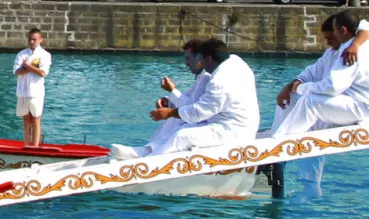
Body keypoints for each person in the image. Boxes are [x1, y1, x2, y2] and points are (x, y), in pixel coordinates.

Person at [110, 39, 260, 159]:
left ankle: (147, 164)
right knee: (181, 125)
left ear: (208, 59)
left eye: (199, 59)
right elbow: (192, 101)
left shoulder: (219, 81)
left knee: (183, 135)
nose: (198, 63)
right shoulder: (234, 60)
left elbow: (199, 112)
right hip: (225, 122)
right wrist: (171, 105)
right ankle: (147, 152)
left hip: (233, 130)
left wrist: (169, 112)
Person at [270, 12, 369, 136]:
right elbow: (313, 71)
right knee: (291, 98)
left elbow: (333, 87)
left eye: (333, 34)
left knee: (309, 102)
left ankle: (283, 143)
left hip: (366, 108)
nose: (328, 42)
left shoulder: (348, 52)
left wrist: (302, 88)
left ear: (342, 30)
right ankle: (275, 134)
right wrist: (291, 87)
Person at [12, 29, 53, 145]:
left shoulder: (44, 55)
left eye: (34, 39)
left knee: (35, 119)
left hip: (36, 92)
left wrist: (27, 66)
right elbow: (16, 71)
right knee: (26, 120)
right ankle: (26, 144)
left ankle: (34, 146)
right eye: (30, 39)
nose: (31, 41)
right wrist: (29, 67)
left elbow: (43, 73)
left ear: (40, 40)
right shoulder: (22, 54)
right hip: (22, 91)